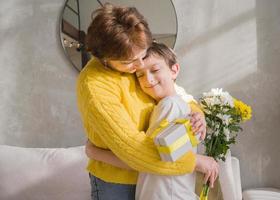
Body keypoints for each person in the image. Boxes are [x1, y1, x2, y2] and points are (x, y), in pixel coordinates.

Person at [77, 3, 217, 200]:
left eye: (142, 55)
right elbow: (134, 149)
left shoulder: (131, 63)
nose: (141, 65)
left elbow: (171, 93)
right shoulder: (95, 85)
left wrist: (195, 113)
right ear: (104, 59)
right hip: (117, 183)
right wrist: (194, 162)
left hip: (151, 178)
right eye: (131, 62)